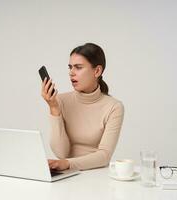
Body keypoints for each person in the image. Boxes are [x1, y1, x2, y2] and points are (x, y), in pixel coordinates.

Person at [41, 43, 124, 171]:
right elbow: (61, 153)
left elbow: (104, 156)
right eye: (70, 67)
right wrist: (54, 108)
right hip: (67, 174)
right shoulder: (60, 101)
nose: (71, 73)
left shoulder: (114, 107)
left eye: (78, 67)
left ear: (97, 71)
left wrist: (67, 164)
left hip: (96, 174)